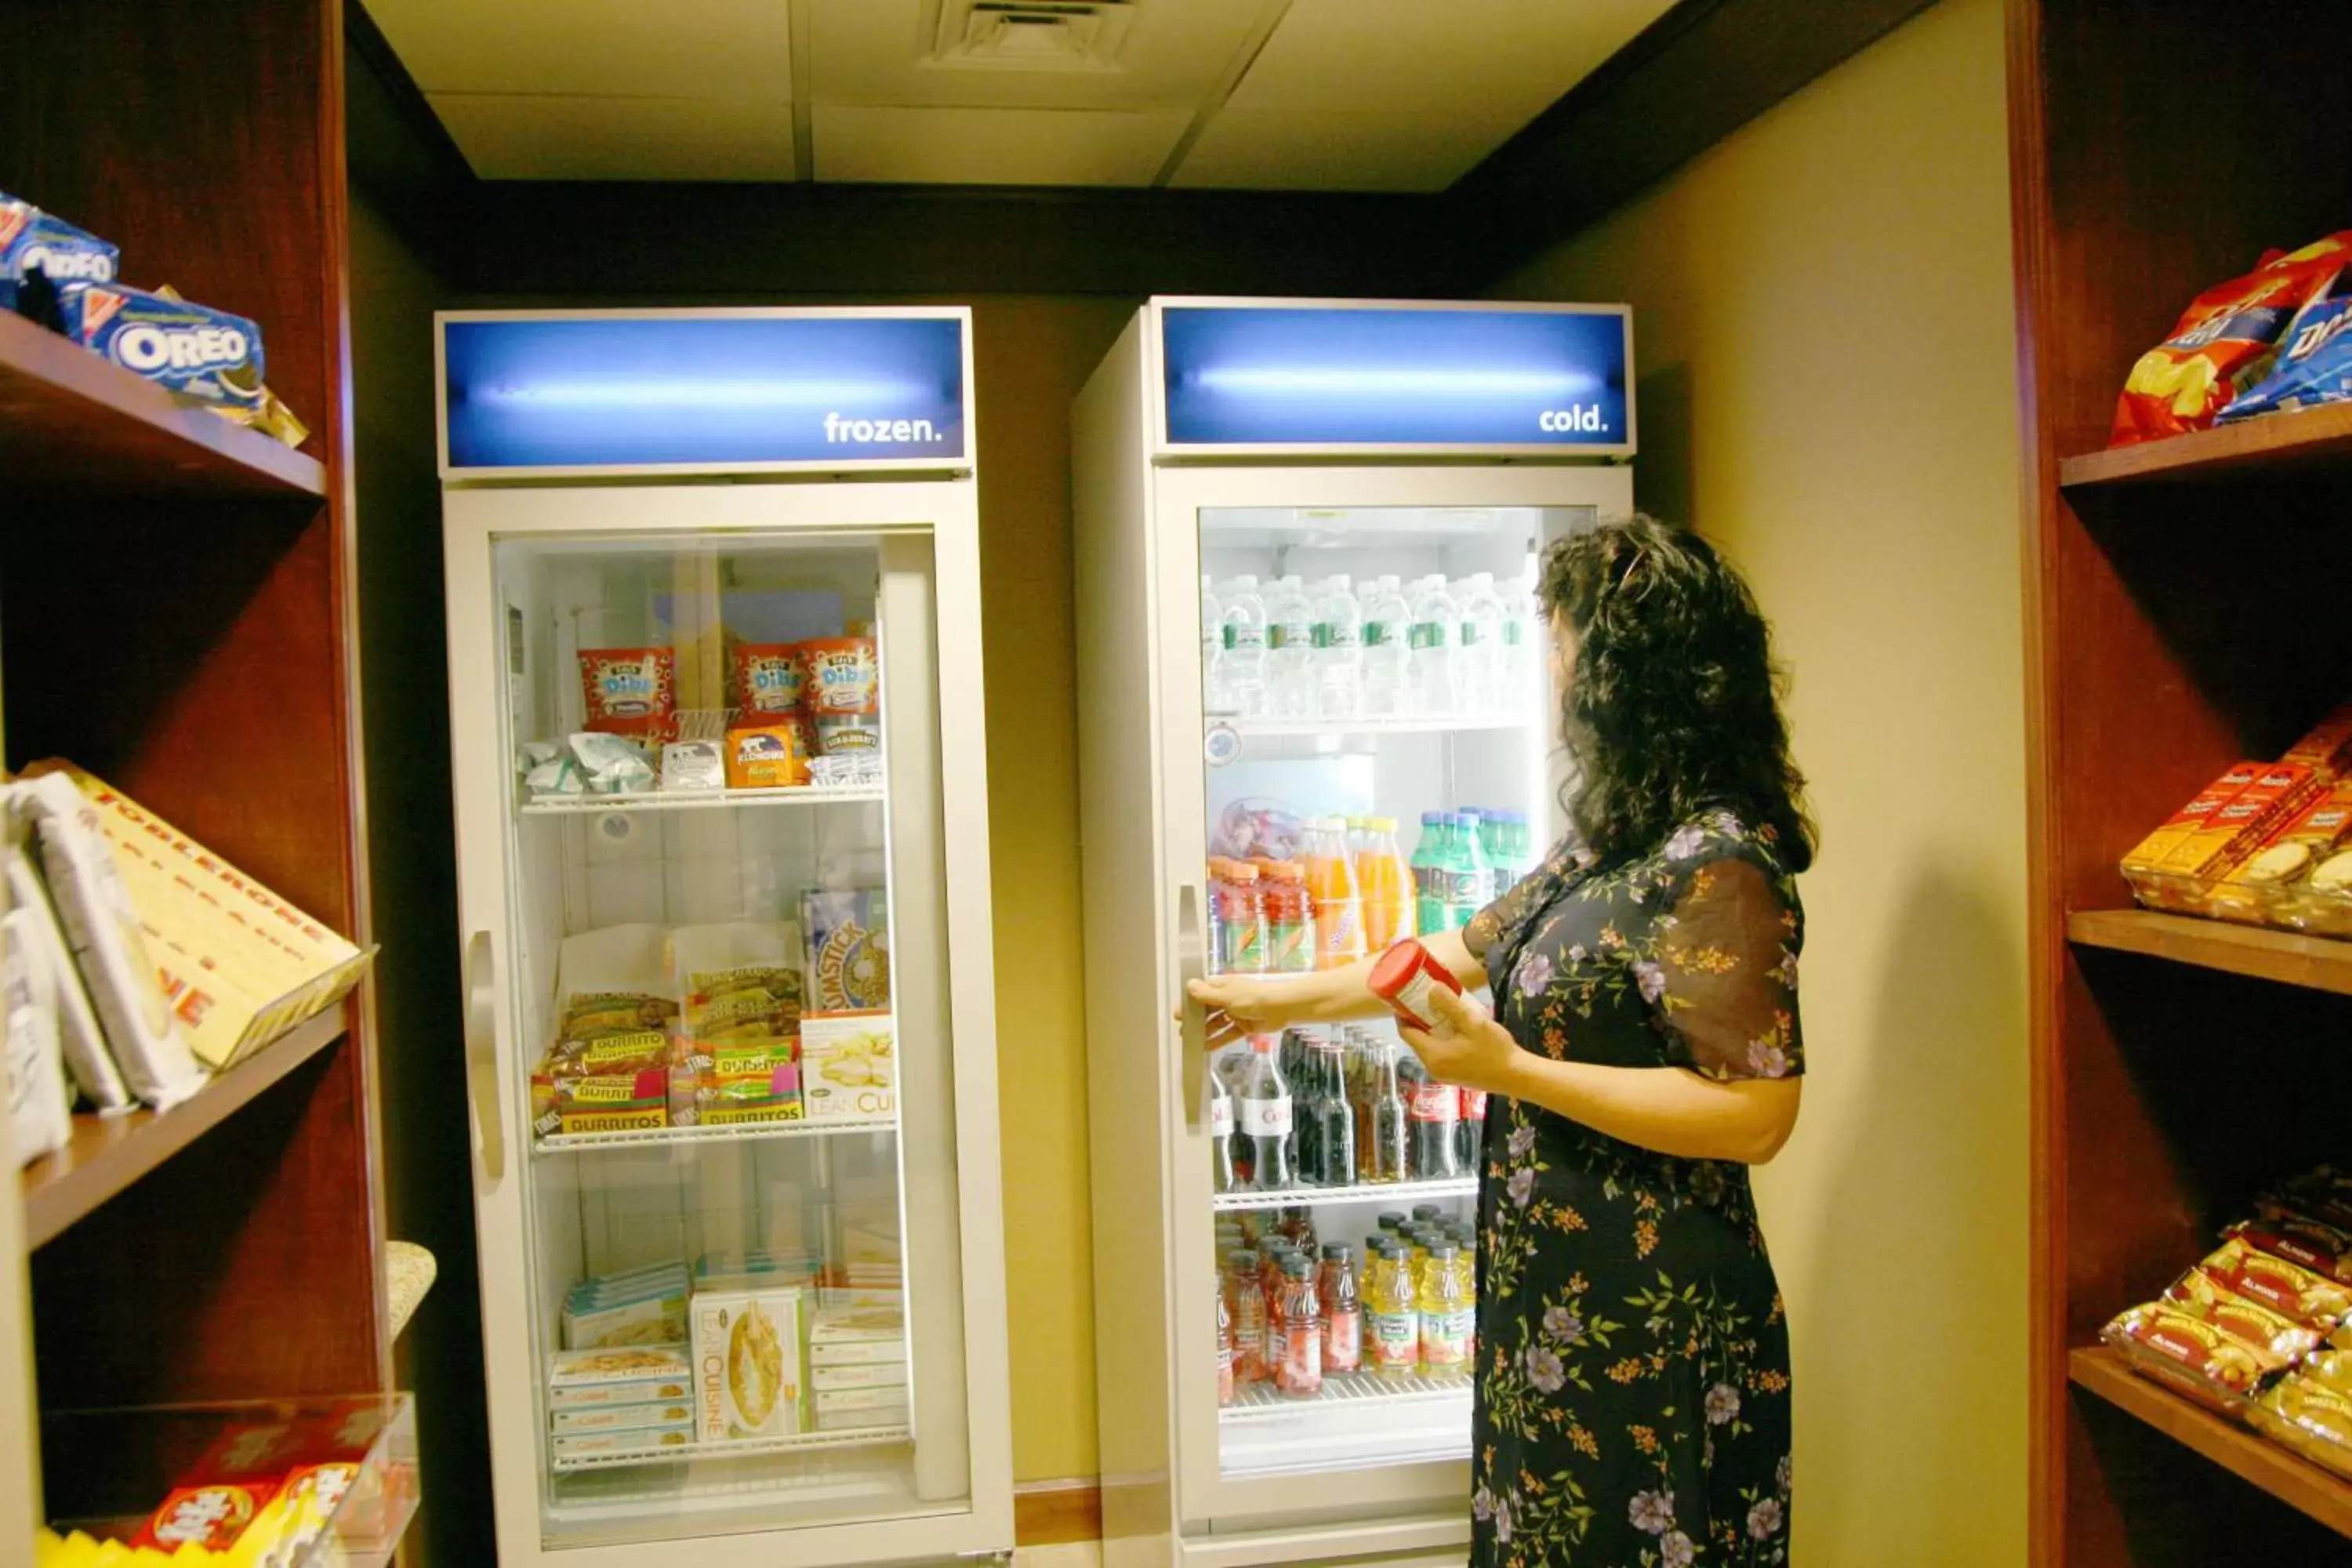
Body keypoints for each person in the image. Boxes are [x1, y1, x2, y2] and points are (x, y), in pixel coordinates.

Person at [1190, 514, 1811, 1566]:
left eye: (1567, 648)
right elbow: (1465, 945)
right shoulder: (1619, 836)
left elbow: (1757, 1114)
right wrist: (1279, 998)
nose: (1554, 675)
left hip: (1651, 1313)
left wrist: (1508, 1070)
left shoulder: (1720, 860)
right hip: (1560, 1295)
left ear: (1629, 677)